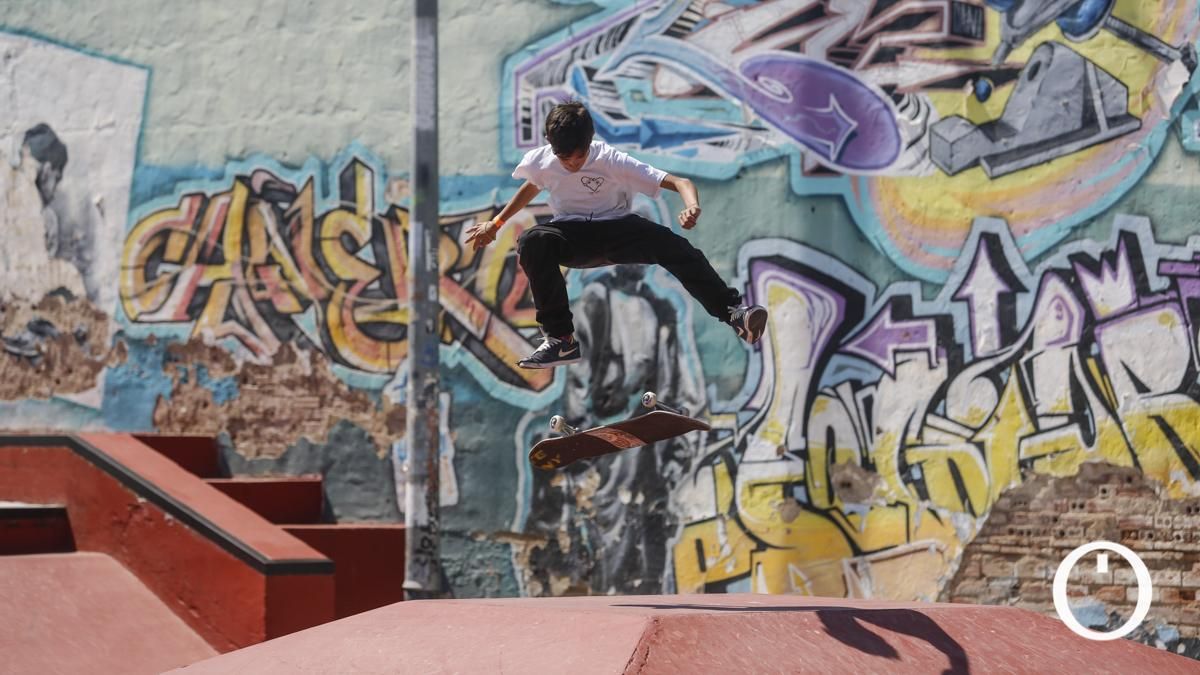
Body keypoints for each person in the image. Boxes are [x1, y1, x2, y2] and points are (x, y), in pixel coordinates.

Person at [465, 102, 768, 369]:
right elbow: (532, 183)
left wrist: (692, 206)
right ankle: (561, 339)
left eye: (579, 156)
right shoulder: (541, 161)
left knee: (674, 247)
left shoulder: (611, 160)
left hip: (619, 229)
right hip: (572, 235)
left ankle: (733, 313)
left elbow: (680, 181)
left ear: (590, 141)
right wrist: (497, 222)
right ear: (549, 144)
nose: (572, 163)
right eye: (563, 157)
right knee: (533, 241)